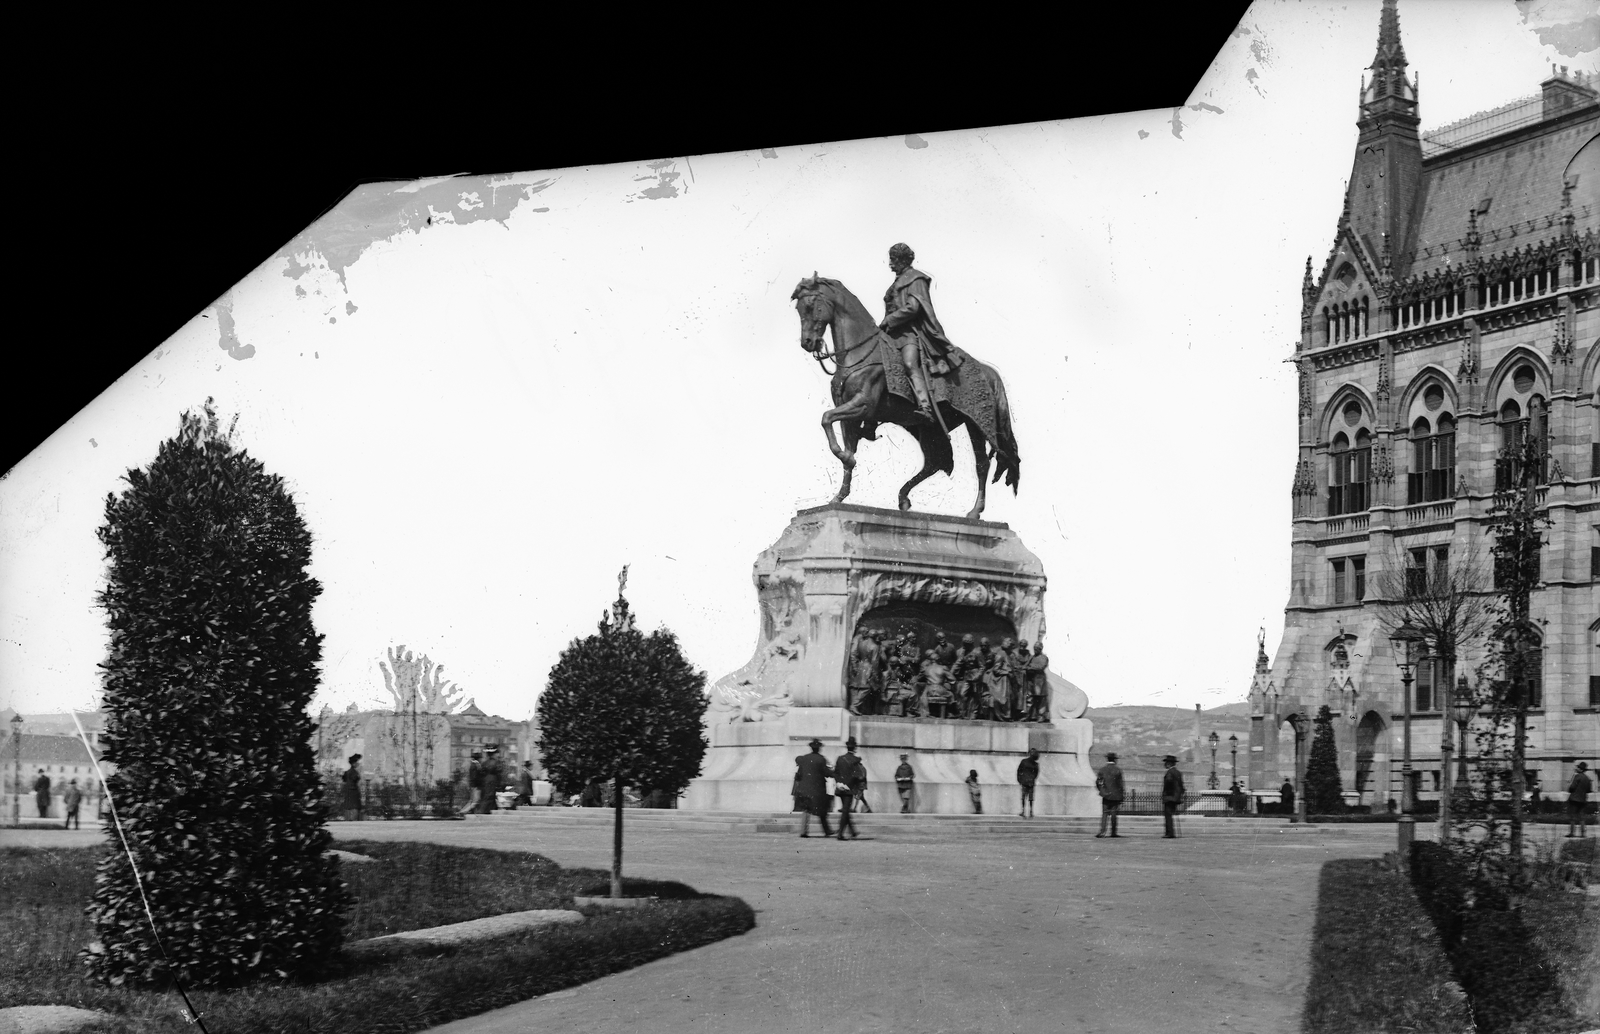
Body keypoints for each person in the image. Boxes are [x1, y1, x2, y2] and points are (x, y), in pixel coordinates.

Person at [879, 242, 965, 423]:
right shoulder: (898, 282)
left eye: (893, 260)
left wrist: (889, 320)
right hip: (892, 335)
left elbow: (913, 307)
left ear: (903, 260)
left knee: (909, 363)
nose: (890, 264)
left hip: (910, 334)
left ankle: (925, 406)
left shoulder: (916, 279)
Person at [795, 738, 833, 838]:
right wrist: (834, 773)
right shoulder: (821, 759)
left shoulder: (804, 758)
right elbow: (826, 772)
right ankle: (827, 830)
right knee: (822, 809)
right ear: (819, 748)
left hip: (805, 788)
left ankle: (803, 831)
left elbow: (799, 774)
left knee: (806, 810)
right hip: (818, 789)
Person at [833, 738, 867, 840]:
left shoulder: (840, 759)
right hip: (849, 789)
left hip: (840, 787)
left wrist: (839, 783)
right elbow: (858, 776)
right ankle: (840, 834)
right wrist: (852, 786)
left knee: (845, 810)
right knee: (845, 811)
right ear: (854, 747)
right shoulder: (856, 760)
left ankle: (852, 831)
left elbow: (836, 773)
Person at [847, 627, 880, 716]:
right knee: (866, 688)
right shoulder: (875, 646)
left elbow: (855, 654)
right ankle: (854, 705)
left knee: (858, 687)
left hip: (860, 666)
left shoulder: (861, 643)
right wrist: (875, 675)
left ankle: (856, 706)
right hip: (868, 667)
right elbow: (875, 662)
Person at [1095, 753, 1124, 838]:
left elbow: (1098, 782)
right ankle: (1113, 832)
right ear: (1114, 760)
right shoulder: (1118, 770)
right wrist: (1121, 797)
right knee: (1114, 814)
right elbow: (1120, 785)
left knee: (1105, 814)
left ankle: (1102, 832)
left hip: (1106, 795)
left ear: (1107, 759)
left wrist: (1102, 791)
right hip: (1115, 796)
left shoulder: (1102, 770)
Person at [1024, 638, 1050, 722]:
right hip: (1031, 680)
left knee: (1041, 699)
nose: (1035, 650)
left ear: (1040, 649)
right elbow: (1026, 666)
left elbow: (1041, 667)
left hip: (1039, 681)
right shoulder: (1032, 657)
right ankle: (1029, 715)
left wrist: (1031, 667)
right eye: (1034, 648)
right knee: (1030, 698)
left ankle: (1041, 716)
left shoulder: (1044, 657)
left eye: (1037, 648)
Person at [1161, 755, 1187, 839]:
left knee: (1168, 815)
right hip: (1176, 797)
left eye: (1166, 763)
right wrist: (1180, 794)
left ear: (1169, 763)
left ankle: (1169, 833)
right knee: (1170, 814)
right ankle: (1170, 832)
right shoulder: (1178, 772)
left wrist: (1166, 794)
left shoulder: (1169, 772)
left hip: (1169, 797)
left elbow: (1168, 784)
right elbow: (1181, 785)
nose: (1165, 764)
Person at [1567, 762, 1593, 838]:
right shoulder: (1587, 778)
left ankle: (1572, 832)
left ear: (1581, 769)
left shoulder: (1577, 776)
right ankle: (1583, 833)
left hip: (1574, 799)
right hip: (1583, 799)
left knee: (1572, 816)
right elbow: (1589, 790)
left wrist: (1570, 787)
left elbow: (1572, 787)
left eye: (1578, 767)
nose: (1577, 768)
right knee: (1582, 817)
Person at [1017, 748, 1040, 818]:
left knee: (1025, 797)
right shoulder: (1034, 764)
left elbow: (1019, 771)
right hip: (1029, 782)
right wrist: (1031, 778)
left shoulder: (1024, 762)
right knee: (1030, 798)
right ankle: (1030, 811)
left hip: (1026, 782)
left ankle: (1024, 811)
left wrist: (1020, 779)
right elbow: (1036, 773)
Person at [459, 750, 484, 814]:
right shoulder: (475, 765)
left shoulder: (474, 764)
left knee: (473, 800)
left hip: (474, 785)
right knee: (475, 801)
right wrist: (478, 784)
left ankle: (463, 811)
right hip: (475, 786)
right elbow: (475, 777)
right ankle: (463, 812)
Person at [341, 754, 363, 821]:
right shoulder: (354, 772)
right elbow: (355, 779)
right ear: (353, 763)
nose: (358, 764)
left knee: (348, 808)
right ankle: (352, 820)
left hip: (348, 792)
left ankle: (349, 820)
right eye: (356, 762)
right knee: (354, 808)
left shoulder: (347, 772)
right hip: (353, 792)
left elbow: (344, 780)